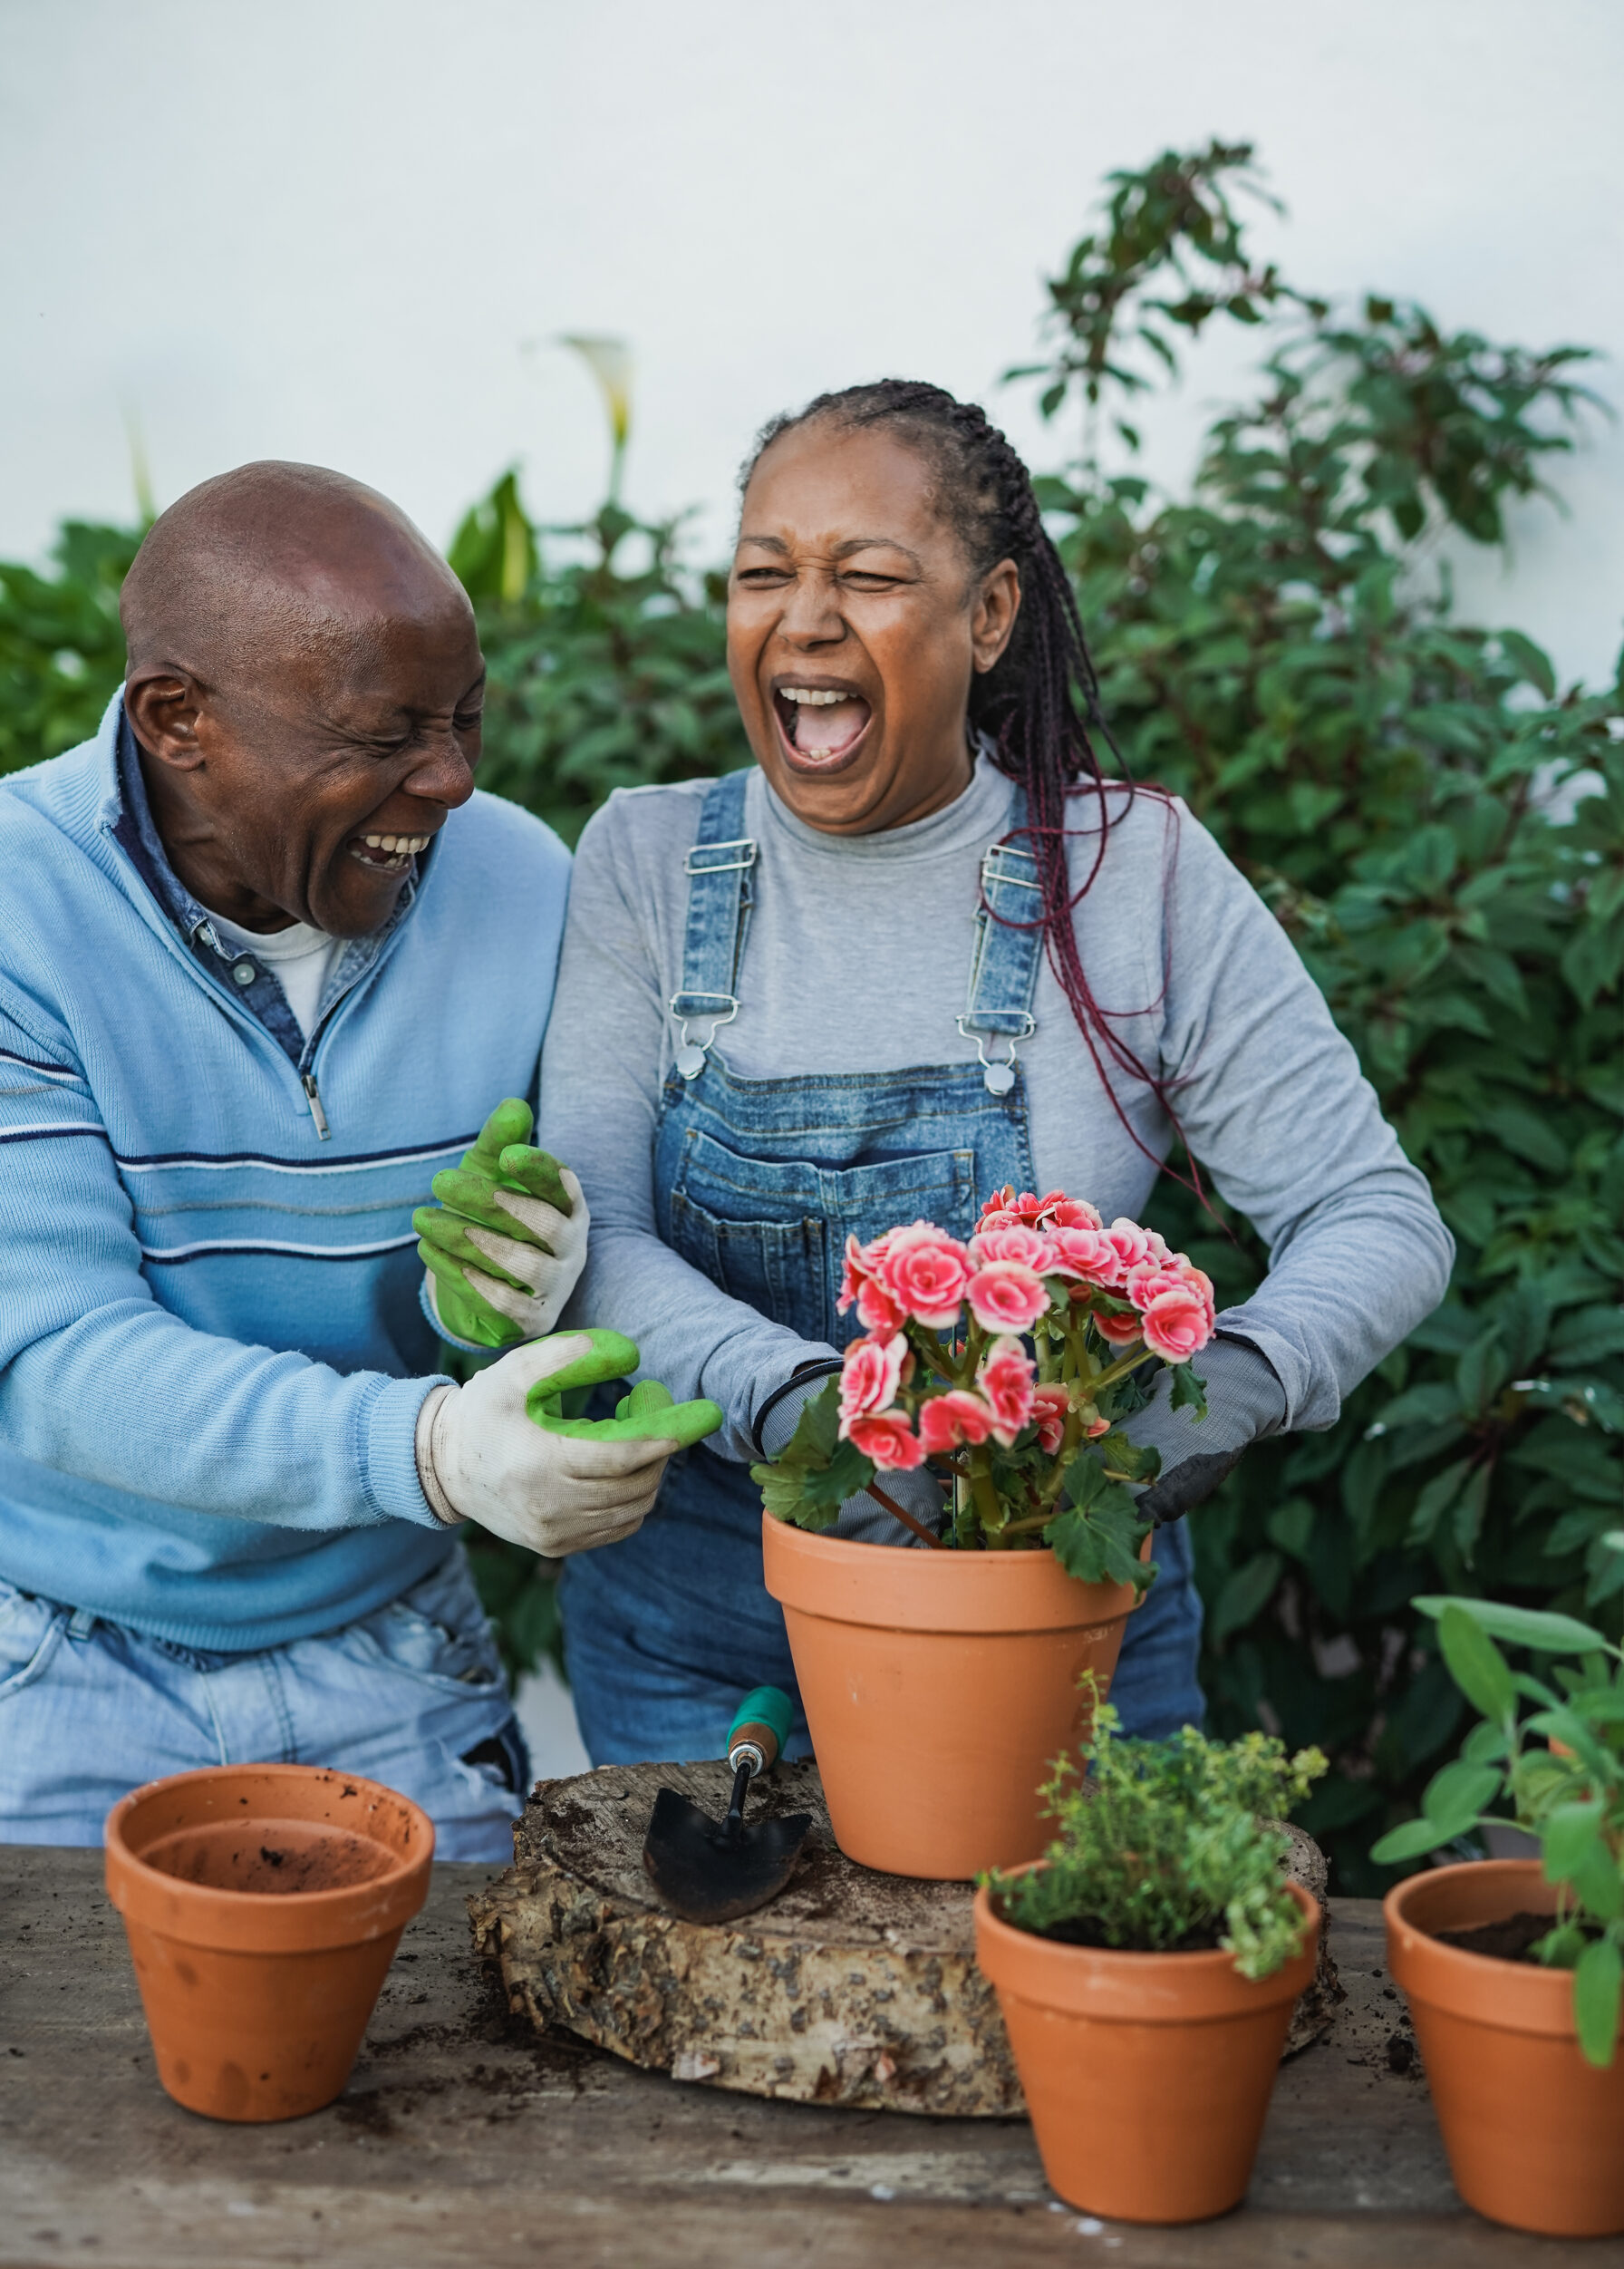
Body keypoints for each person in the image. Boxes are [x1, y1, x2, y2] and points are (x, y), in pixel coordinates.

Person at [432, 381, 1455, 1767]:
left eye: (866, 575)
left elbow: (1376, 1216)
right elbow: (592, 1236)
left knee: (1077, 1972)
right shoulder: (650, 862)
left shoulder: (1129, 873)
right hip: (699, 1638)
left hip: (1057, 1622)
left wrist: (1243, 1378)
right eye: (762, 574)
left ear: (989, 617)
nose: (802, 618)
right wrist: (807, 1415)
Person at [0, 462, 681, 1857]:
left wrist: (492, 1296)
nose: (452, 780)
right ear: (178, 720)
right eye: (384, 734)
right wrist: (430, 1448)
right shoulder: (20, 906)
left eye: (465, 718)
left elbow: (536, 1247)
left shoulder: (519, 880)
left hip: (389, 1650)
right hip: (55, 1656)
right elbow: (56, 1362)